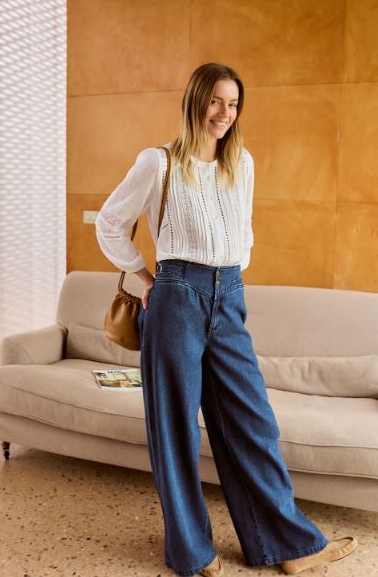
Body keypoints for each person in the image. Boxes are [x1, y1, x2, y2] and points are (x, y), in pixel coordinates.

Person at [95, 62, 357, 577]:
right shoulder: (158, 163)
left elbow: (246, 232)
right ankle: (191, 553)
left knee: (254, 423)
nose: (224, 113)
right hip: (177, 294)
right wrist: (147, 277)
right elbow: (109, 224)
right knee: (175, 429)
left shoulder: (243, 163)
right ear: (195, 101)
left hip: (229, 295)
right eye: (215, 100)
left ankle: (287, 546)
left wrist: (227, 282)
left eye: (233, 103)